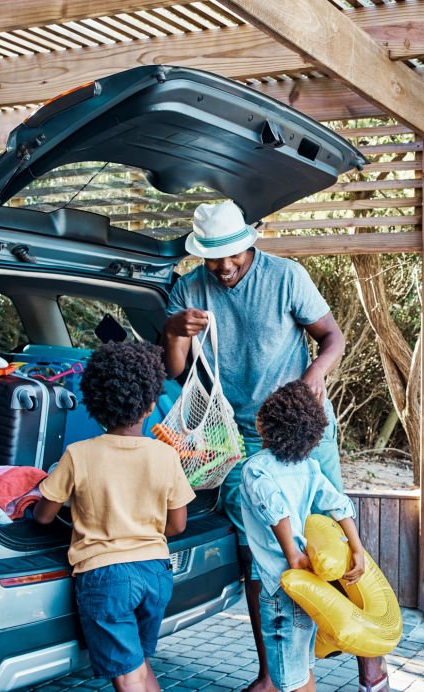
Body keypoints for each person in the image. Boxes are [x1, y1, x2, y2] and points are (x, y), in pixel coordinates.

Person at [163, 201, 388, 691]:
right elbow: (178, 371)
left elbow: (332, 337)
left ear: (251, 241)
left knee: (330, 534)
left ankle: (371, 665)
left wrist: (310, 381)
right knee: (260, 551)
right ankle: (272, 673)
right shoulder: (189, 289)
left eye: (233, 257)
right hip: (239, 433)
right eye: (213, 258)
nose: (224, 268)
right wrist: (175, 331)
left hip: (304, 424)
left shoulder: (286, 276)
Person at [34, 342, 196, 692]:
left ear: (95, 404)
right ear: (152, 403)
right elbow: (178, 524)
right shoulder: (166, 456)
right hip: (155, 573)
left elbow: (43, 515)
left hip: (106, 577)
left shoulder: (78, 455)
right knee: (137, 663)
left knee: (128, 675)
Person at [240, 380, 366, 692]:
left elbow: (275, 508)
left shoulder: (256, 468)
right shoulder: (309, 467)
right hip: (310, 584)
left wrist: (292, 555)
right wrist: (357, 548)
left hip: (282, 586)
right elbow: (338, 504)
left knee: (290, 679)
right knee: (303, 668)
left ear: (261, 424)